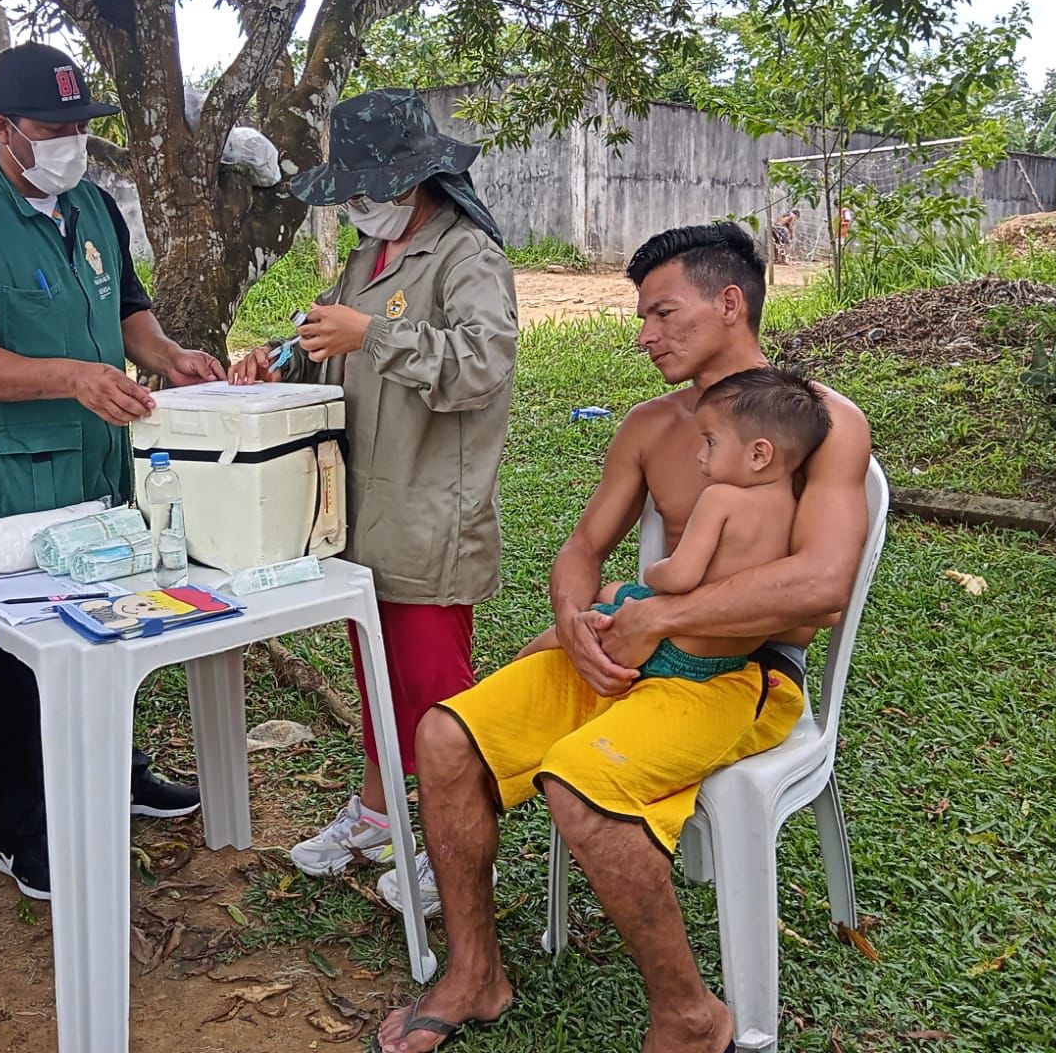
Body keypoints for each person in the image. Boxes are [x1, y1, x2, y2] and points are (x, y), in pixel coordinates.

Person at [371, 222, 872, 1053]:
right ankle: (474, 973)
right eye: (642, 317)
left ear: (730, 303)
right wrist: (574, 620)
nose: (645, 335)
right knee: (444, 736)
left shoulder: (817, 424)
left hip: (737, 675)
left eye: (664, 314)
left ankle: (689, 1013)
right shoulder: (650, 425)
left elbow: (820, 588)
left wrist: (665, 615)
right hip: (626, 651)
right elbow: (581, 550)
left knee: (580, 782)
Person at [0, 41, 225, 902]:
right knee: (19, 659)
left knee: (111, 622)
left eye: (80, 127)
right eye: (51, 129)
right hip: (14, 487)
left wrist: (171, 356)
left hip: (101, 468)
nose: (70, 144)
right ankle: (22, 830)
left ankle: (120, 770)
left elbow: (129, 312)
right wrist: (67, 377)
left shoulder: (93, 205)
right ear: (2, 130)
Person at [229, 88, 518, 916]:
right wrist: (278, 357)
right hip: (363, 514)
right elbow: (325, 337)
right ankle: (380, 813)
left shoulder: (468, 256)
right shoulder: (368, 257)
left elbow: (482, 365)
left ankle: (453, 846)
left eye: (366, 187)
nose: (356, 204)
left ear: (414, 178)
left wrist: (374, 336)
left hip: (431, 516)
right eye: (349, 190)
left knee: (435, 691)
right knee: (377, 676)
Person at [517, 365, 832, 683]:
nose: (699, 455)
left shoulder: (719, 499)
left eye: (710, 442)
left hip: (680, 647)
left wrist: (654, 572)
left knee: (573, 631)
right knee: (610, 590)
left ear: (758, 455)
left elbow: (680, 577)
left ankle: (508, 677)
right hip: (728, 649)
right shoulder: (794, 505)